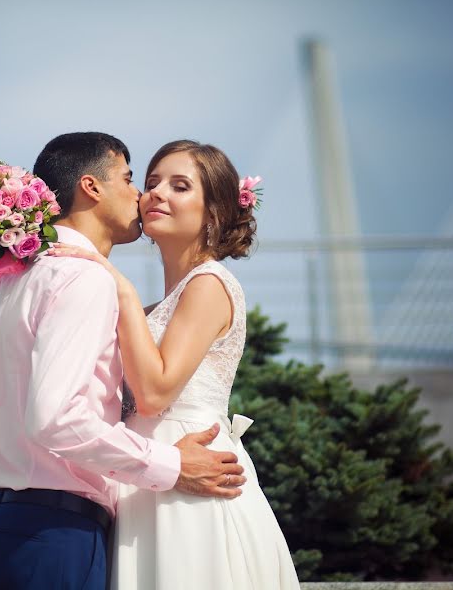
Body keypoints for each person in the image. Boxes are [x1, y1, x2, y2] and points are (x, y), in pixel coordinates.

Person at [0, 132, 247, 590]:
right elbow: (57, 419)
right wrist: (170, 466)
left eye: (177, 186)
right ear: (93, 188)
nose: (144, 194)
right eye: (137, 179)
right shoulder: (83, 278)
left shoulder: (1, 287)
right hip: (61, 526)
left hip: (4, 523)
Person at [49, 140, 301, 589]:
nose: (156, 194)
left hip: (194, 486)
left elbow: (154, 394)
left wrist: (118, 288)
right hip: (149, 481)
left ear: (214, 213)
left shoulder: (209, 284)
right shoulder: (151, 308)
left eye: (180, 186)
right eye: (150, 183)